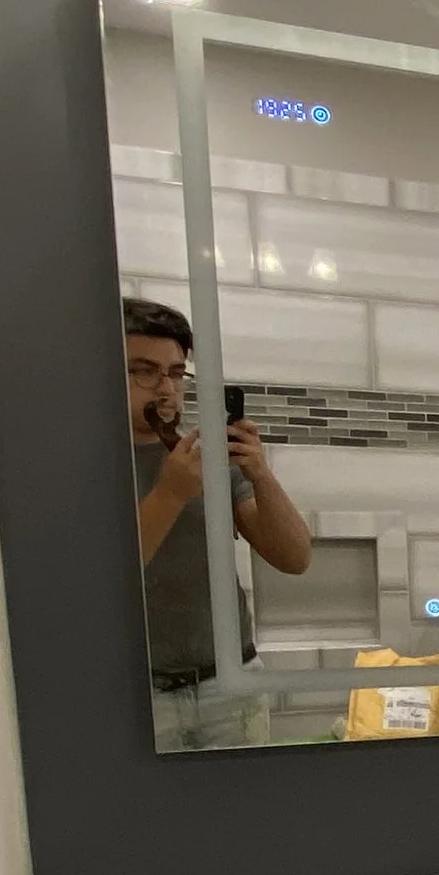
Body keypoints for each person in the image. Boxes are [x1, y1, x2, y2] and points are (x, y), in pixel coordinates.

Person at [123, 300, 311, 750]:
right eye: (144, 371)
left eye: (175, 372)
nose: (165, 388)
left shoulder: (205, 455)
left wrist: (259, 472)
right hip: (139, 693)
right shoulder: (91, 461)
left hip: (230, 682)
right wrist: (169, 494)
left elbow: (294, 558)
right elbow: (99, 585)